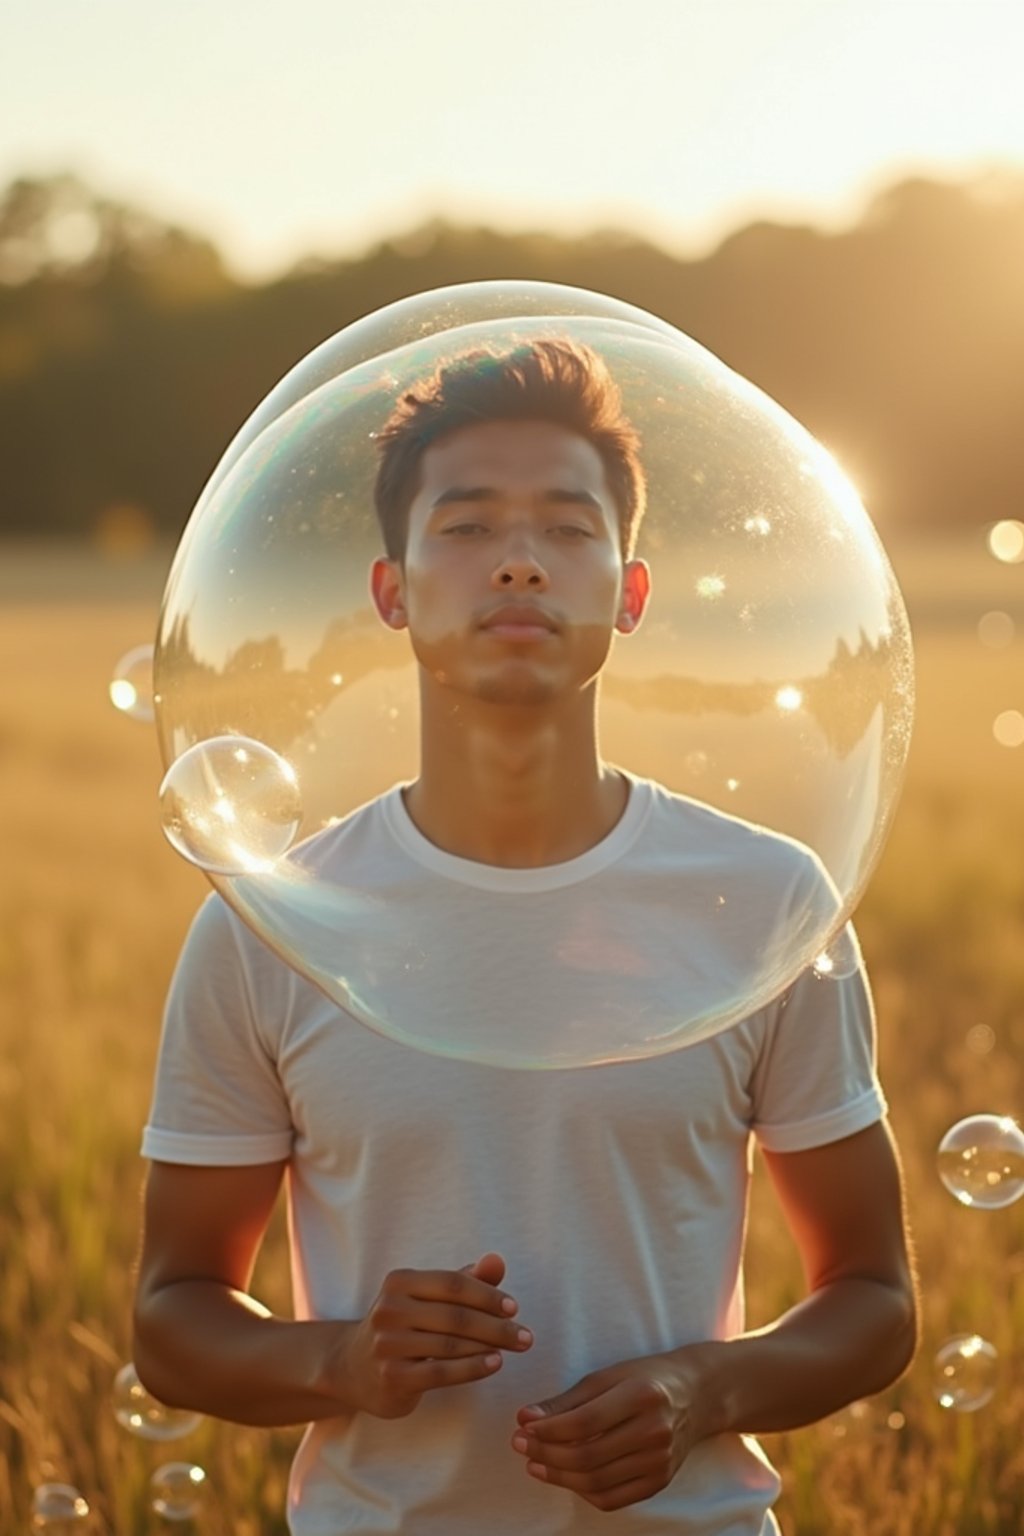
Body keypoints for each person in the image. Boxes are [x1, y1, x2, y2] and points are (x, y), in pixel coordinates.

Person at [133, 338, 918, 1535]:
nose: (515, 565)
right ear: (391, 590)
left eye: (565, 528)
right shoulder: (268, 923)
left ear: (630, 589)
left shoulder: (762, 900)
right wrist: (341, 1360)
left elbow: (871, 1298)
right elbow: (174, 1318)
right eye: (465, 528)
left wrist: (700, 1391)